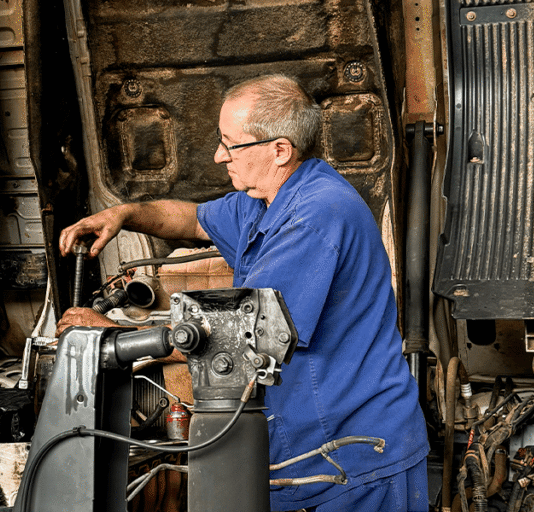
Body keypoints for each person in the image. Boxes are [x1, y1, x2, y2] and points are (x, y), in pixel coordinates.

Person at [58, 74, 428, 511]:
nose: (219, 156)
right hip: (303, 452)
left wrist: (111, 335)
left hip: (354, 458)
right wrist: (123, 214)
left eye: (230, 144)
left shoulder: (314, 215)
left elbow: (244, 334)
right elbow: (192, 220)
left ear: (279, 150)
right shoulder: (267, 200)